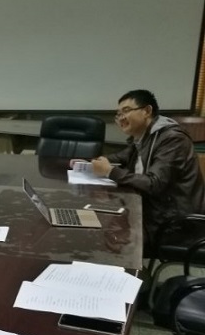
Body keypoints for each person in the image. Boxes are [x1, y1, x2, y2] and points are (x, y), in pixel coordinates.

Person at [85, 89, 205, 254]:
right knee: (97, 222)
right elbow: (120, 157)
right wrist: (88, 162)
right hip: (153, 212)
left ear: (147, 111)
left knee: (111, 241)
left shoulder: (172, 139)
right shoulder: (143, 138)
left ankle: (127, 270)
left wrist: (110, 171)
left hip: (174, 224)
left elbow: (154, 183)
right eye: (118, 114)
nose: (121, 118)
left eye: (126, 111)